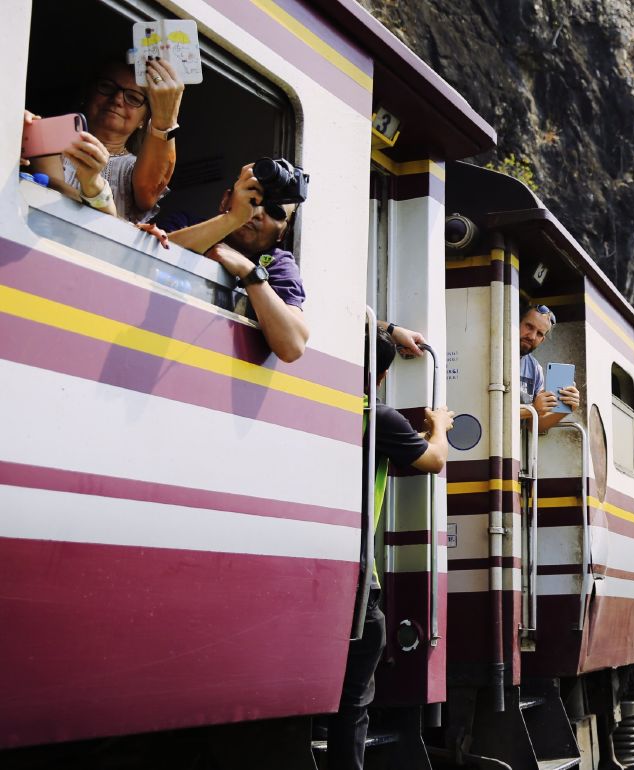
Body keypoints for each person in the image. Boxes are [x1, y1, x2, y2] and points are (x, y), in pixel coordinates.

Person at [333, 326, 453, 770]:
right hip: (358, 574)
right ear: (382, 377)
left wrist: (386, 330)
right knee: (355, 697)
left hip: (316, 564)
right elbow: (434, 460)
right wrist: (439, 425)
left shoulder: (322, 401)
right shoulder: (378, 415)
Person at [166, 163, 308, 362]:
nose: (257, 213)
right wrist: (234, 219)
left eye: (274, 211)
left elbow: (292, 347)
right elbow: (148, 254)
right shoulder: (185, 224)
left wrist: (248, 271)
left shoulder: (278, 264)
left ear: (283, 232)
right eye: (253, 199)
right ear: (226, 200)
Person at [26, 59, 184, 224]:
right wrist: (121, 224)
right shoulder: (50, 136)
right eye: (107, 87)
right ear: (87, 94)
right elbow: (53, 189)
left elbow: (149, 193)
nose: (117, 99)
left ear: (143, 120)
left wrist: (166, 118)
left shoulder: (134, 167)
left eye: (133, 97)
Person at [517, 304, 580, 432]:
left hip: (516, 448)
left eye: (539, 334)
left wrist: (567, 409)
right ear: (516, 322)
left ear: (542, 340)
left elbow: (534, 426)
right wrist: (533, 408)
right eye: (529, 326)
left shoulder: (535, 368)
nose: (532, 336)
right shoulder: (491, 354)